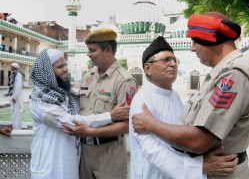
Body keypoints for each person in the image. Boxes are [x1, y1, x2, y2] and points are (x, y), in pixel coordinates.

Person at [132, 11, 249, 179]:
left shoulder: (233, 76)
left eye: (195, 41)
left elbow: (199, 141)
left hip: (222, 172)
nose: (192, 48)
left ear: (209, 39)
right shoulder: (223, 74)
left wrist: (151, 124)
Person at [130, 36, 238, 179]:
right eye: (165, 60)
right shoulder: (142, 100)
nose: (173, 64)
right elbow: (154, 151)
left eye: (175, 60)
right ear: (148, 68)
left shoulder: (175, 96)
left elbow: (184, 137)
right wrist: (200, 166)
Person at [30, 48, 130, 179]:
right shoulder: (39, 100)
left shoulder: (65, 95)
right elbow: (72, 122)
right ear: (47, 72)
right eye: (60, 66)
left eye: (65, 64)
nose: (66, 69)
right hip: (49, 167)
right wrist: (110, 116)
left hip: (71, 165)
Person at [63, 28, 138, 179]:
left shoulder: (125, 80)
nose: (88, 54)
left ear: (108, 49)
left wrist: (90, 132)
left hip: (109, 154)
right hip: (84, 152)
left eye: (92, 50)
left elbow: (127, 125)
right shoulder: (88, 76)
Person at [3, 62, 23, 129]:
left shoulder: (18, 74)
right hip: (13, 96)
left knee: (17, 112)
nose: (11, 67)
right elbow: (13, 86)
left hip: (16, 97)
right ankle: (15, 126)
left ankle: (17, 127)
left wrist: (14, 97)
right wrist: (9, 93)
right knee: (14, 112)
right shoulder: (13, 74)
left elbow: (18, 86)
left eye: (12, 66)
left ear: (15, 67)